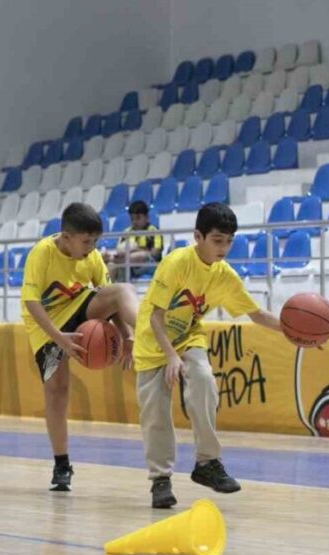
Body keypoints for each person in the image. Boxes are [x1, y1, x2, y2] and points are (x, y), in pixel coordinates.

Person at [134, 202, 282, 509]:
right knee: (156, 417)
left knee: (203, 380)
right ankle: (160, 480)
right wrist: (170, 356)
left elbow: (256, 314)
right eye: (217, 240)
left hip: (188, 337)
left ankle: (207, 463)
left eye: (229, 241)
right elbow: (155, 318)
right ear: (198, 236)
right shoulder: (177, 263)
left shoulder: (224, 275)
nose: (224, 248)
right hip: (153, 342)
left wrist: (293, 332)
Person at [20, 202, 138, 492]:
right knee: (57, 393)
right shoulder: (42, 253)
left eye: (95, 241)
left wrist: (127, 336)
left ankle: (149, 331)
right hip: (46, 326)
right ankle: (62, 465)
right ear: (66, 236)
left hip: (79, 307)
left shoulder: (92, 257)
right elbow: (31, 303)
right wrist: (59, 338)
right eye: (87, 241)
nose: (91, 247)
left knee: (123, 290)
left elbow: (111, 301)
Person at [105, 201, 163, 281]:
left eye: (138, 218)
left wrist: (136, 249)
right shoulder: (127, 232)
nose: (135, 222)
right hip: (128, 264)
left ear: (146, 217)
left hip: (149, 264)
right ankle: (107, 290)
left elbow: (155, 254)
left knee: (140, 255)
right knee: (112, 265)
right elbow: (120, 251)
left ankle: (111, 259)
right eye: (132, 219)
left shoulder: (154, 231)